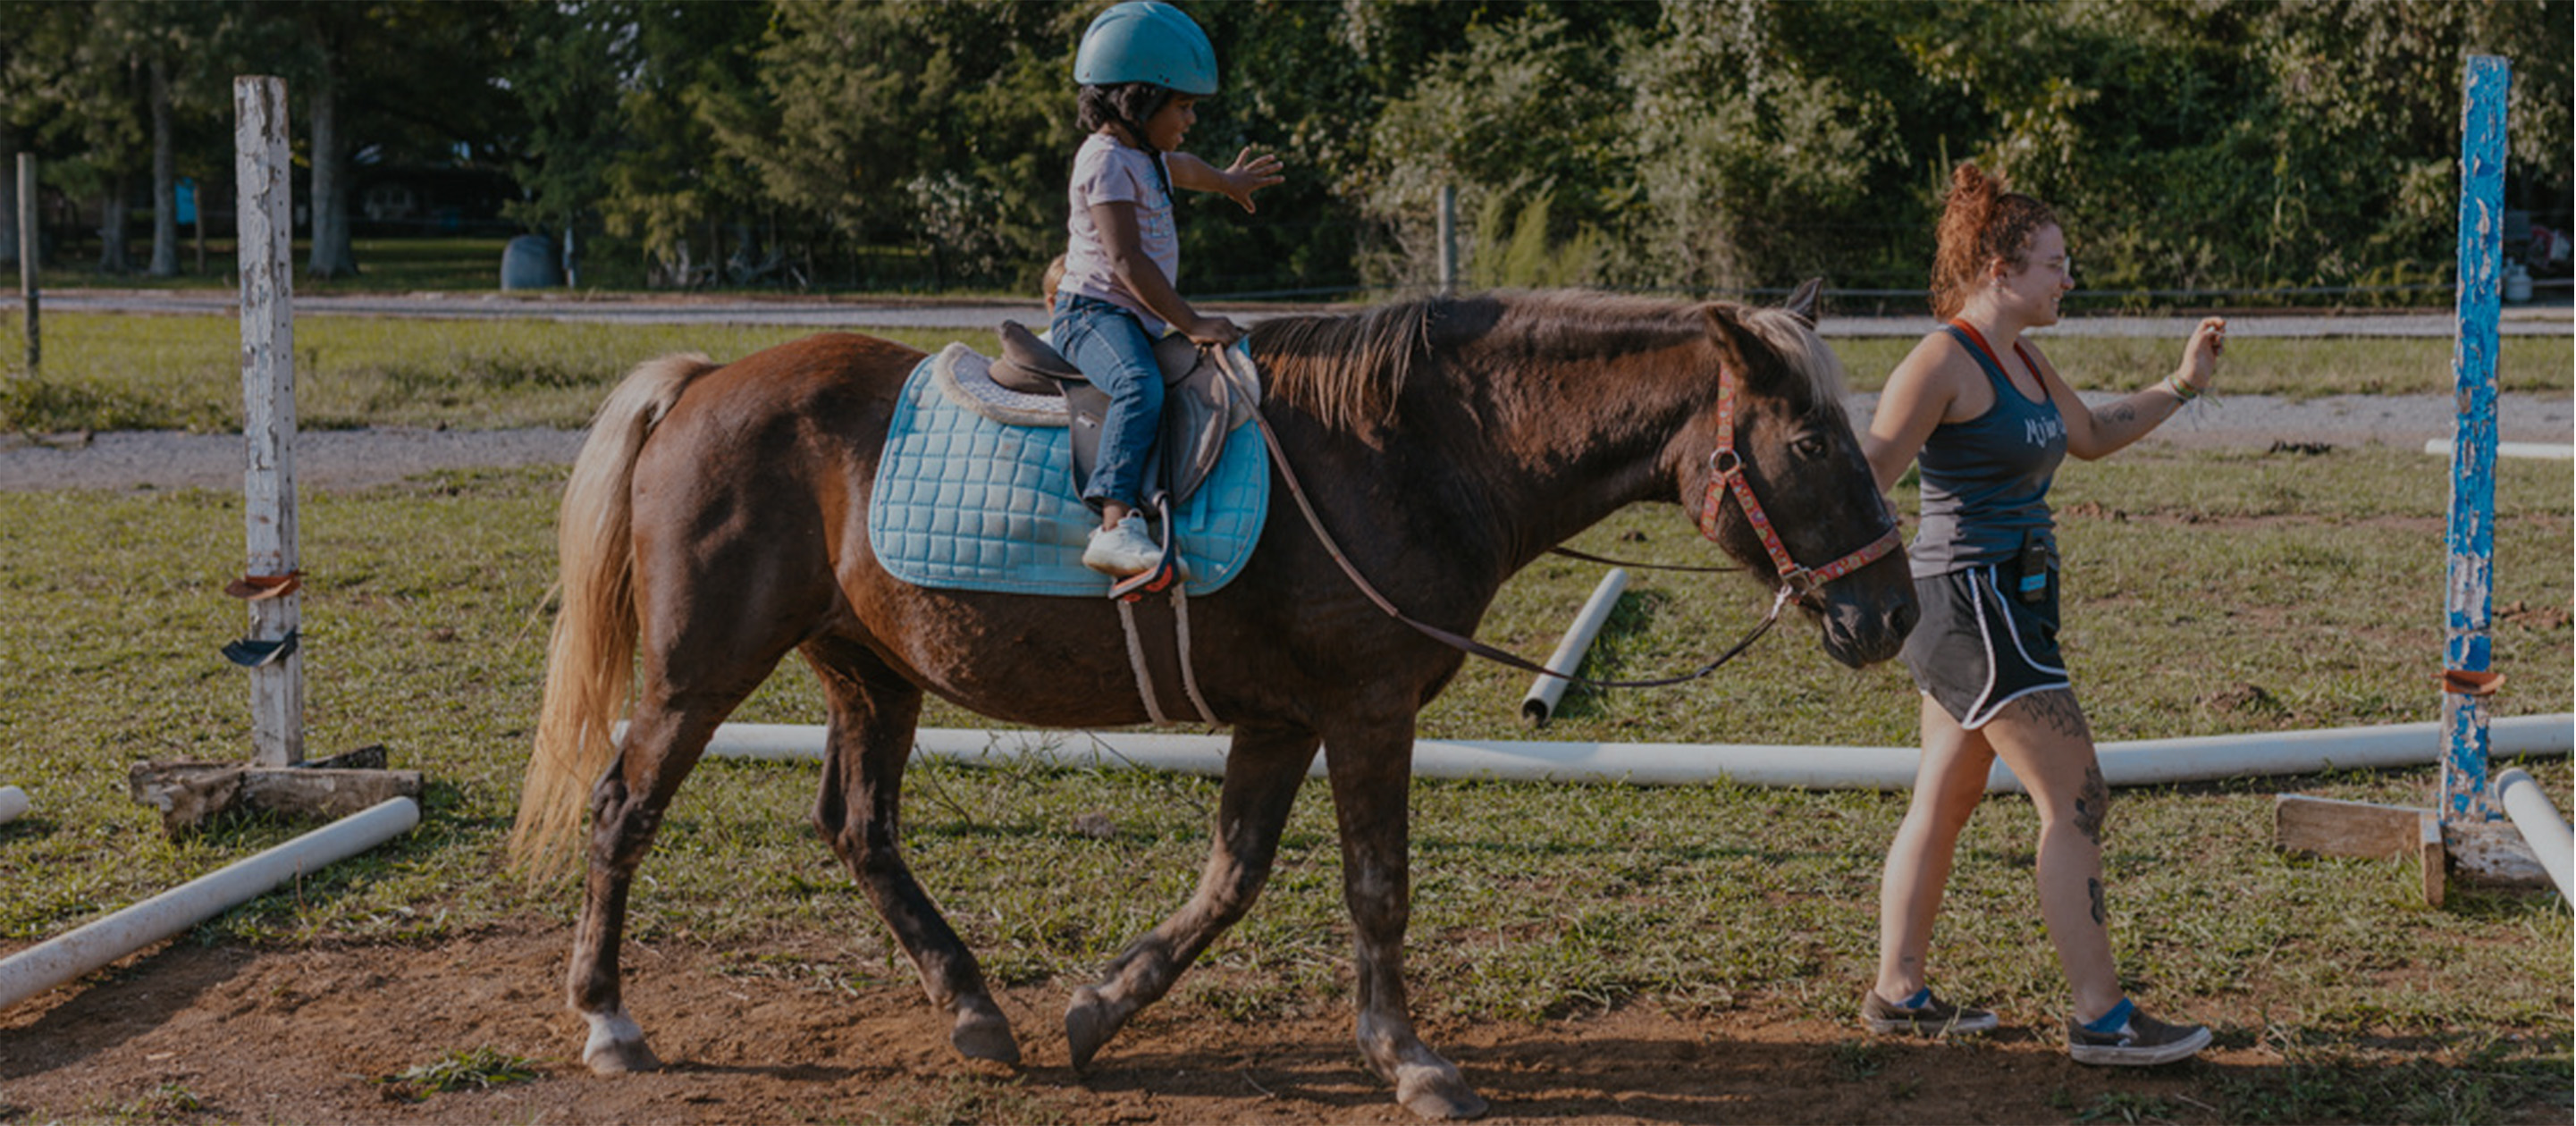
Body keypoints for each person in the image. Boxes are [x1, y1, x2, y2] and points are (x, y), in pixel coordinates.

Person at [1858, 163, 2227, 1065]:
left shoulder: (2020, 354)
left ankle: (1896, 995)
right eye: (2053, 263)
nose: (2068, 278)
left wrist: (2180, 384)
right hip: (1968, 604)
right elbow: (1866, 474)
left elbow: (2091, 436)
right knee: (2075, 797)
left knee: (1942, 801)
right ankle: (2100, 1017)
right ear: (1998, 271)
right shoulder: (1941, 359)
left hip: (2003, 603)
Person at [1054, 0, 1284, 577]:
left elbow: (1187, 166)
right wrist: (1193, 322)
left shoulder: (1146, 156)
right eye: (1182, 105)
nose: (1190, 118)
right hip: (1092, 314)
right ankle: (1115, 522)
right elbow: (1127, 263)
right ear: (1138, 99)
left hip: (1132, 317)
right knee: (1138, 382)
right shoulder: (1104, 161)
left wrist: (1227, 183)